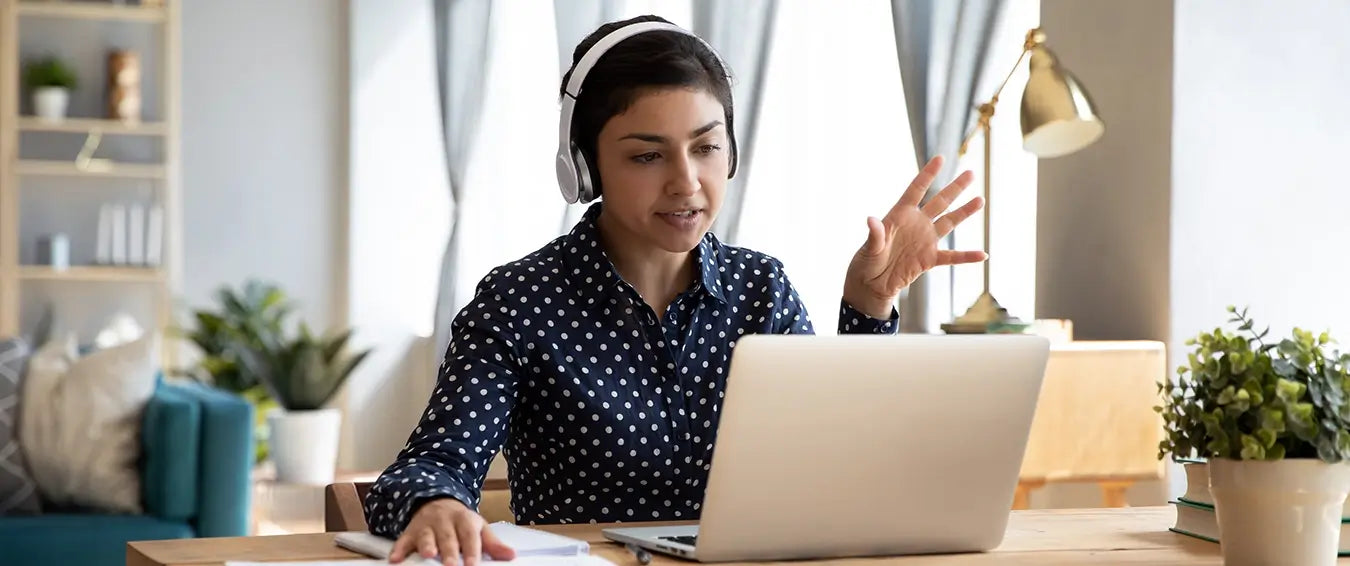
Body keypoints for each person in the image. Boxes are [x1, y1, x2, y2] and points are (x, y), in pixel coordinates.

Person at [364, 14, 986, 566]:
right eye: (646, 156)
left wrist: (870, 307)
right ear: (585, 166)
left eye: (706, 147)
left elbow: (846, 464)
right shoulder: (519, 302)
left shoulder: (761, 289)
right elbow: (426, 467)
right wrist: (435, 505)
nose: (686, 183)